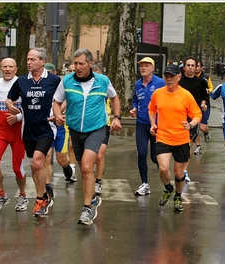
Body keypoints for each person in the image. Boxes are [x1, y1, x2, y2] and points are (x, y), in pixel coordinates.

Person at [52, 48, 122, 225]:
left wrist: (117, 117)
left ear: (90, 64)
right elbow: (57, 101)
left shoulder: (103, 81)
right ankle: (91, 200)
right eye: (75, 63)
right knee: (84, 170)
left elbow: (114, 98)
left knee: (86, 166)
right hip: (75, 130)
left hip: (96, 129)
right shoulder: (66, 81)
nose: (77, 67)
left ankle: (86, 208)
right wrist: (58, 114)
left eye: (81, 63)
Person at [6, 47, 61, 217]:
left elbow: (64, 99)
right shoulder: (22, 81)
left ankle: (40, 199)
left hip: (46, 128)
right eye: (28, 59)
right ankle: (44, 192)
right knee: (35, 165)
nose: (29, 62)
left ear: (42, 61)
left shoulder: (54, 80)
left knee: (38, 162)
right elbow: (10, 98)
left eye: (33, 59)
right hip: (28, 129)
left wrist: (58, 114)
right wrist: (10, 106)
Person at [148, 64, 202, 211]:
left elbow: (197, 114)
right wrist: (153, 124)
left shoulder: (186, 95)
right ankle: (168, 188)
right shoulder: (158, 93)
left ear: (179, 77)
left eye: (172, 76)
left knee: (178, 173)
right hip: (163, 137)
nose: (169, 79)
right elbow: (152, 109)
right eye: (166, 76)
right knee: (163, 168)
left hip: (181, 139)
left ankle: (178, 195)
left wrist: (191, 125)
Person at [0, 57, 28, 212]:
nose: (8, 69)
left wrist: (17, 117)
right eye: (5, 66)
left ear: (16, 69)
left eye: (11, 66)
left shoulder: (23, 83)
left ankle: (23, 195)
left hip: (17, 131)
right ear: (0, 68)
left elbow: (29, 108)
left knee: (17, 168)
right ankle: (1, 195)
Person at [129, 57, 165, 196]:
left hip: (157, 125)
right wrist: (134, 109)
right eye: (141, 66)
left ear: (152, 68)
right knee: (142, 153)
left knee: (156, 157)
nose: (143, 68)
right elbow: (135, 100)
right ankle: (144, 184)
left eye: (146, 66)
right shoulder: (137, 84)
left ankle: (165, 182)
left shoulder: (160, 83)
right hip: (141, 124)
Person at [43, 63, 76, 201]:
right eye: (47, 72)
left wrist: (58, 114)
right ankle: (48, 186)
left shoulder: (63, 84)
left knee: (61, 159)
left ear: (56, 72)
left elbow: (66, 101)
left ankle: (67, 169)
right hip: (46, 126)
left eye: (52, 72)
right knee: (46, 158)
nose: (50, 74)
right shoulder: (41, 85)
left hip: (60, 125)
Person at [179, 56, 207, 181]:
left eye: (192, 65)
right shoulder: (178, 80)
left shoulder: (201, 82)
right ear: (184, 67)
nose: (190, 67)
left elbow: (204, 97)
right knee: (178, 143)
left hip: (193, 117)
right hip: (178, 115)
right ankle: (179, 167)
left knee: (188, 142)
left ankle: (184, 171)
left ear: (196, 68)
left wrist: (203, 104)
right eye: (188, 65)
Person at [92, 63, 111, 196]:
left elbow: (115, 99)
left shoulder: (106, 85)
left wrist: (117, 117)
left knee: (100, 155)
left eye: (99, 74)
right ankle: (91, 176)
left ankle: (98, 182)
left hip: (104, 124)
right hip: (89, 125)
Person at [193, 60, 214, 156]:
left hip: (204, 105)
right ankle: (198, 146)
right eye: (195, 66)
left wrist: (207, 90)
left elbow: (211, 88)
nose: (196, 68)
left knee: (202, 126)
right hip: (193, 106)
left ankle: (206, 133)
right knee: (195, 127)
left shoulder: (206, 77)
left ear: (201, 68)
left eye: (198, 66)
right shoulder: (189, 77)